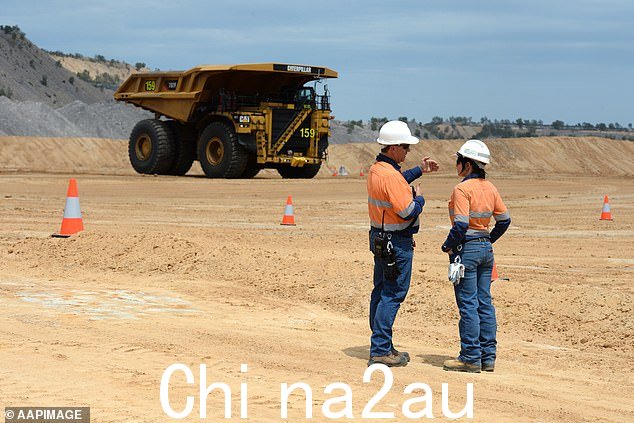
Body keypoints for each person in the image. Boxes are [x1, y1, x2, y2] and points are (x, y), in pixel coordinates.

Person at [367, 120, 439, 367]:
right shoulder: (391, 176)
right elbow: (408, 210)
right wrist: (420, 199)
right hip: (395, 242)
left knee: (381, 290)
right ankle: (380, 349)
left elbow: (397, 181)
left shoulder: (378, 169)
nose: (408, 151)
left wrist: (419, 170)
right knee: (393, 293)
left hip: (380, 237)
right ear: (394, 147)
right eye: (406, 146)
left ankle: (382, 343)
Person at [441, 139, 511, 373]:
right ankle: (487, 357)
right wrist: (487, 240)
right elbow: (504, 220)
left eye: (458, 161)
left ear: (467, 164)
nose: (457, 166)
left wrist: (447, 246)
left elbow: (460, 225)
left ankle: (470, 356)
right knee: (484, 303)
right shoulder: (490, 187)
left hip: (466, 250)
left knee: (468, 305)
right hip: (485, 250)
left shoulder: (462, 189)